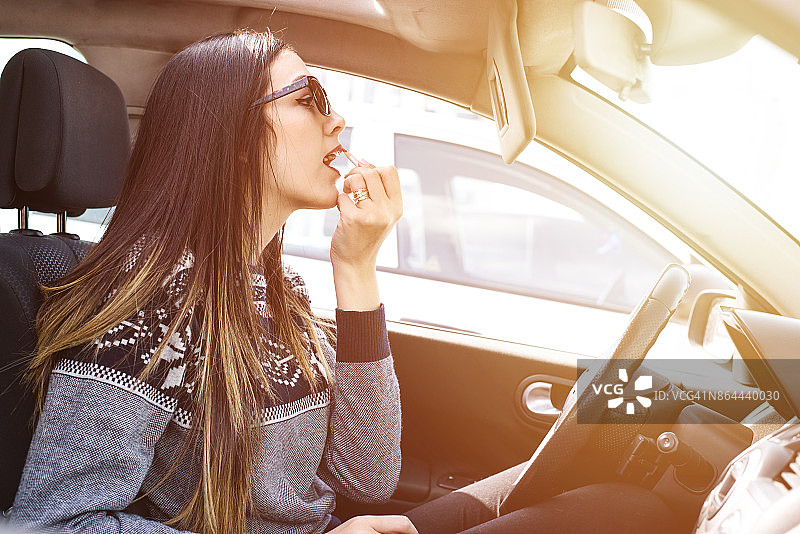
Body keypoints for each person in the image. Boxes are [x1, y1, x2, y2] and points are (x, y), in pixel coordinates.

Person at [8, 29, 413, 534]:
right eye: (310, 98)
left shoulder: (278, 291)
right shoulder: (150, 307)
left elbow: (368, 475)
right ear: (236, 136)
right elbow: (57, 525)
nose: (337, 120)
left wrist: (356, 270)